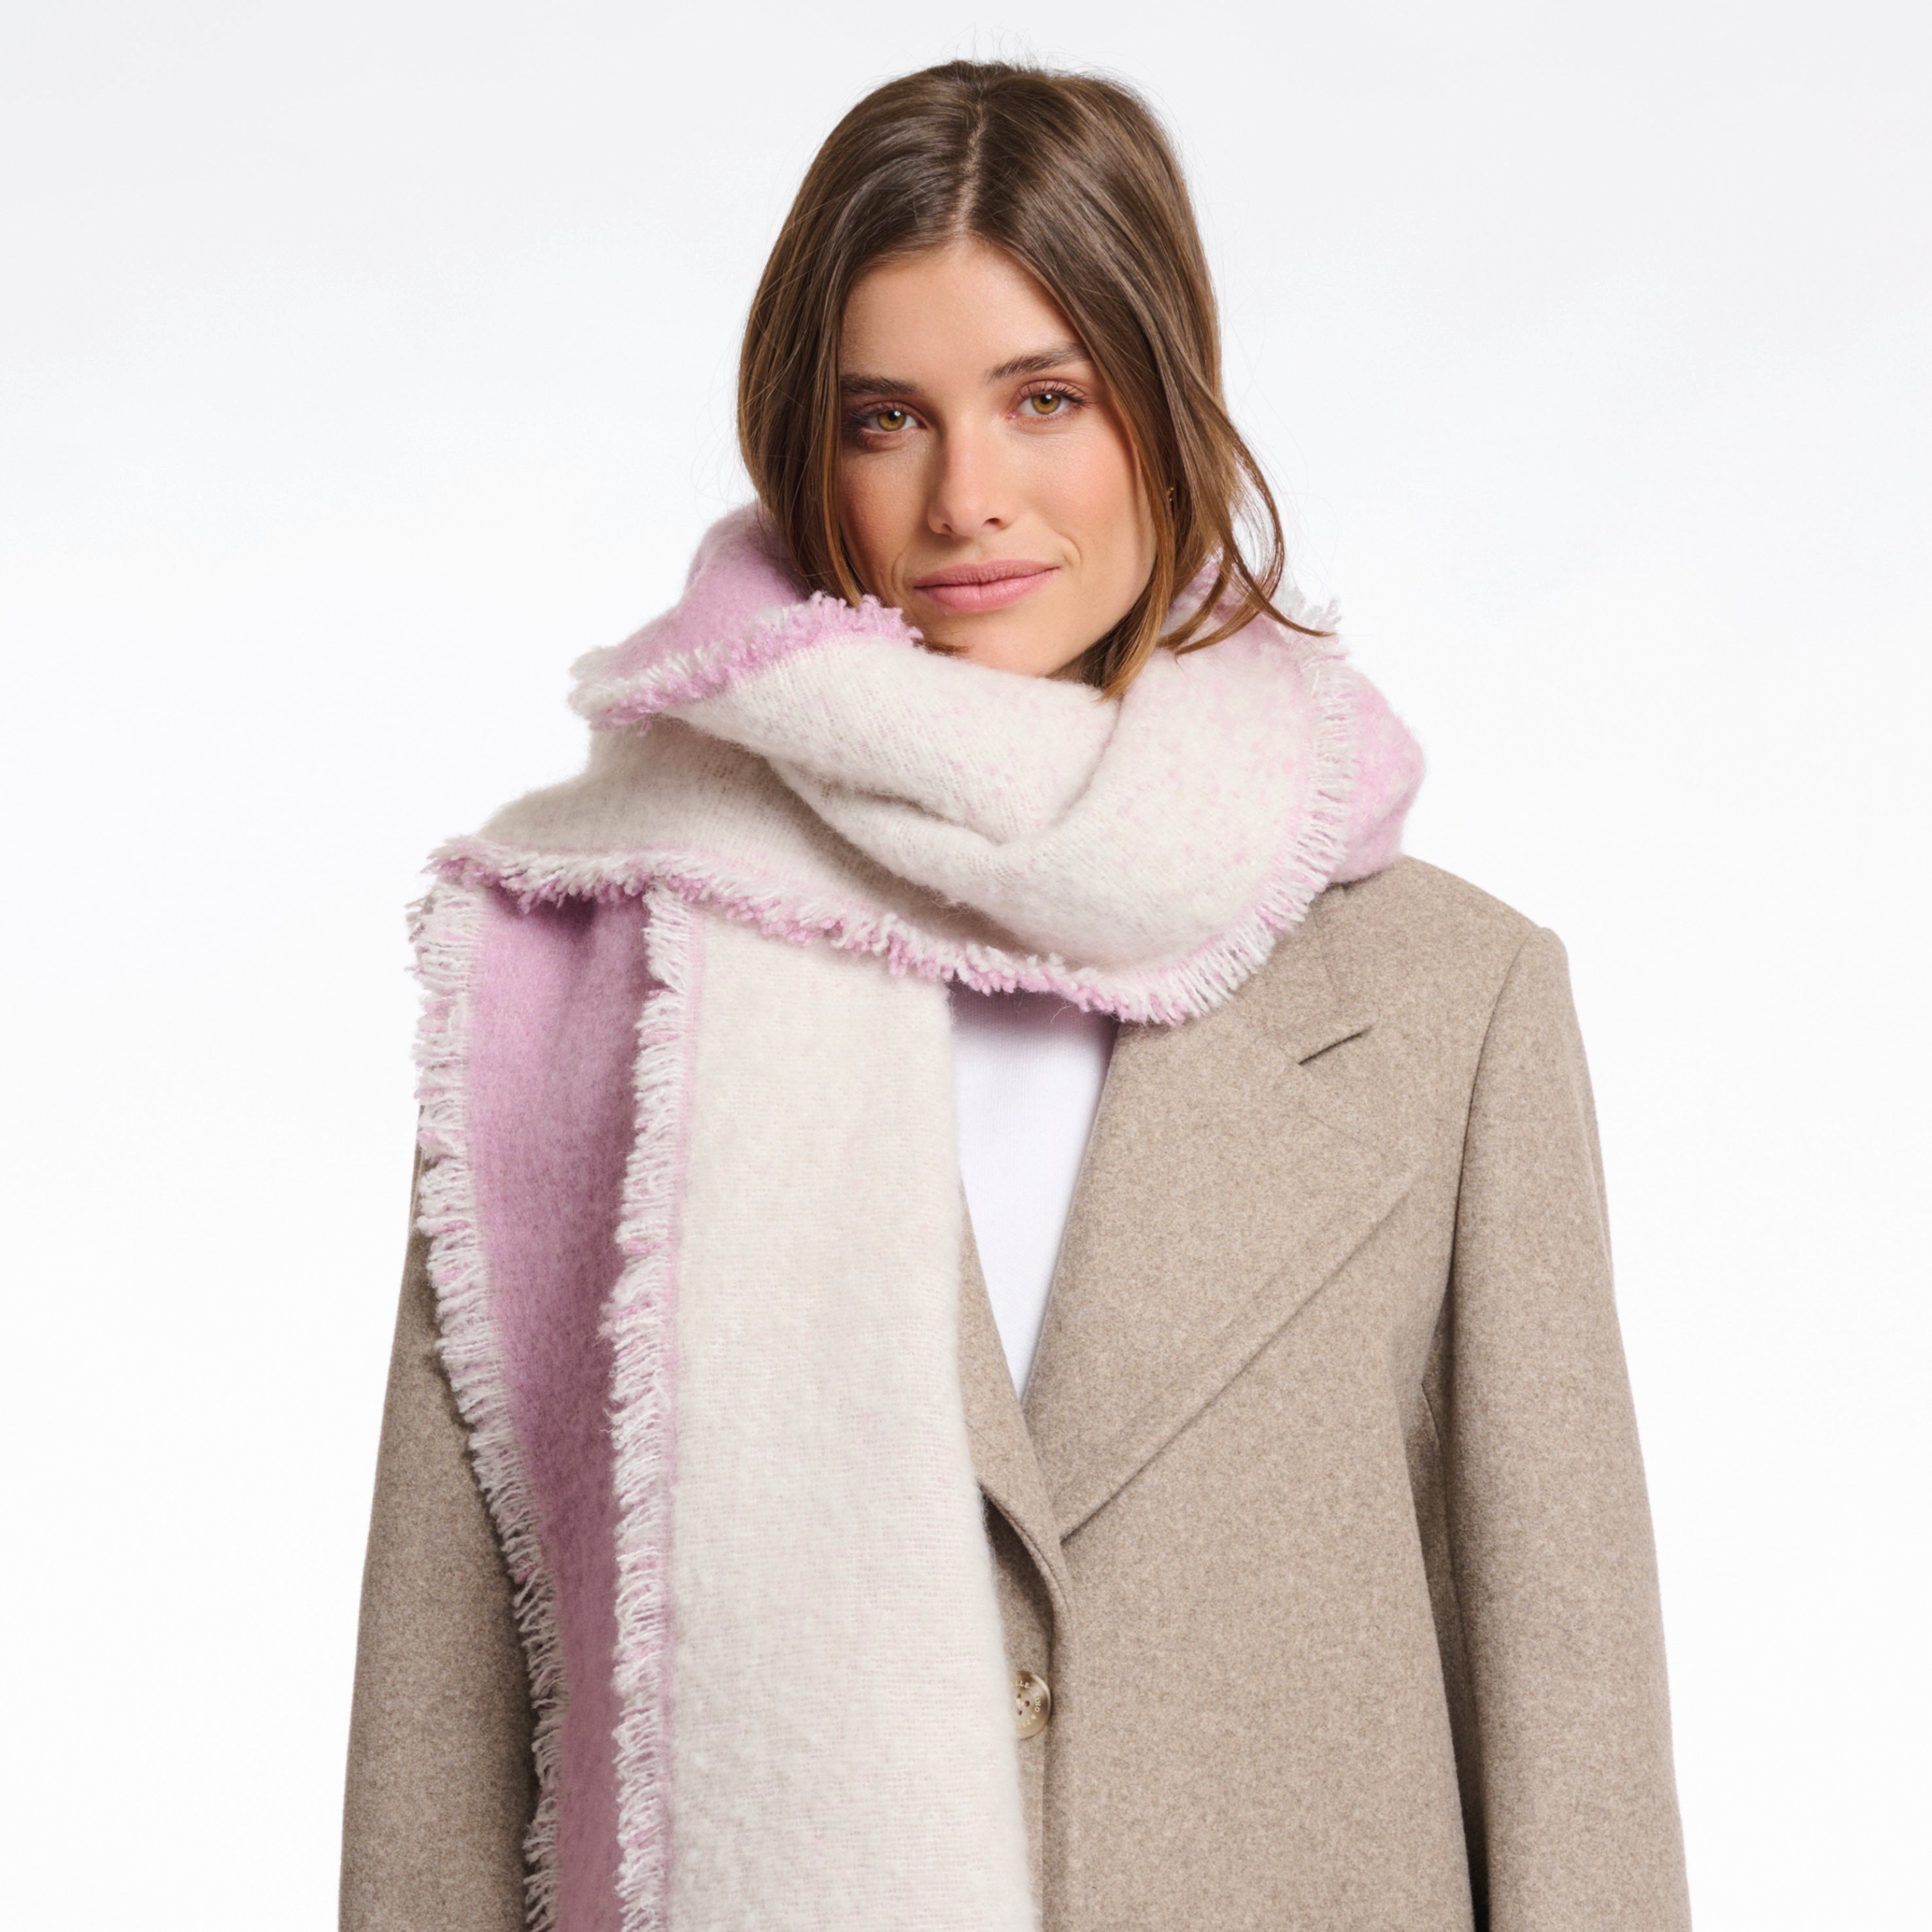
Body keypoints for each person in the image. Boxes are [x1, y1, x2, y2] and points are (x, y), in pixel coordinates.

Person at [342, 60, 1690, 1932]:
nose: (966, 499)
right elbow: (446, 1745)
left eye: (1044, 399)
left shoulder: (1450, 1002)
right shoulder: (592, 972)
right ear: (805, 449)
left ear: (1163, 405)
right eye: (885, 419)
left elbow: (1574, 1752)